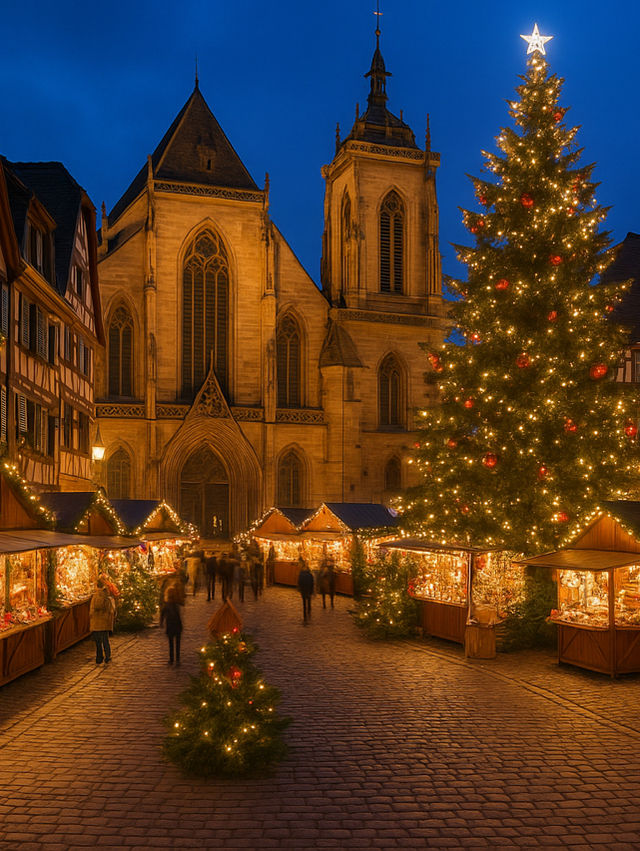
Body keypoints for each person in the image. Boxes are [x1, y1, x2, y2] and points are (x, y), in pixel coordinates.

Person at [89, 578, 116, 664]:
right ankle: (107, 656)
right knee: (105, 640)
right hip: (104, 622)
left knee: (98, 641)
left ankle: (99, 657)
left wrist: (91, 616)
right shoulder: (107, 596)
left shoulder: (96, 596)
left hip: (97, 622)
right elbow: (111, 609)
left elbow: (94, 608)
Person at [160, 586, 183, 664]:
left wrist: (161, 623)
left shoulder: (166, 604)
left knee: (171, 643)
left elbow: (162, 614)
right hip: (177, 625)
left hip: (170, 625)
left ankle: (171, 659)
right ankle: (178, 659)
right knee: (177, 643)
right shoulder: (176, 604)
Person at [297, 555, 314, 624]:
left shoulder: (301, 574)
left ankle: (305, 614)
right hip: (307, 589)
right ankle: (308, 610)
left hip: (304, 589)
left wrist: (299, 588)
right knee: (307, 600)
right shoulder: (309, 574)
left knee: (304, 602)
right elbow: (312, 582)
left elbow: (299, 582)